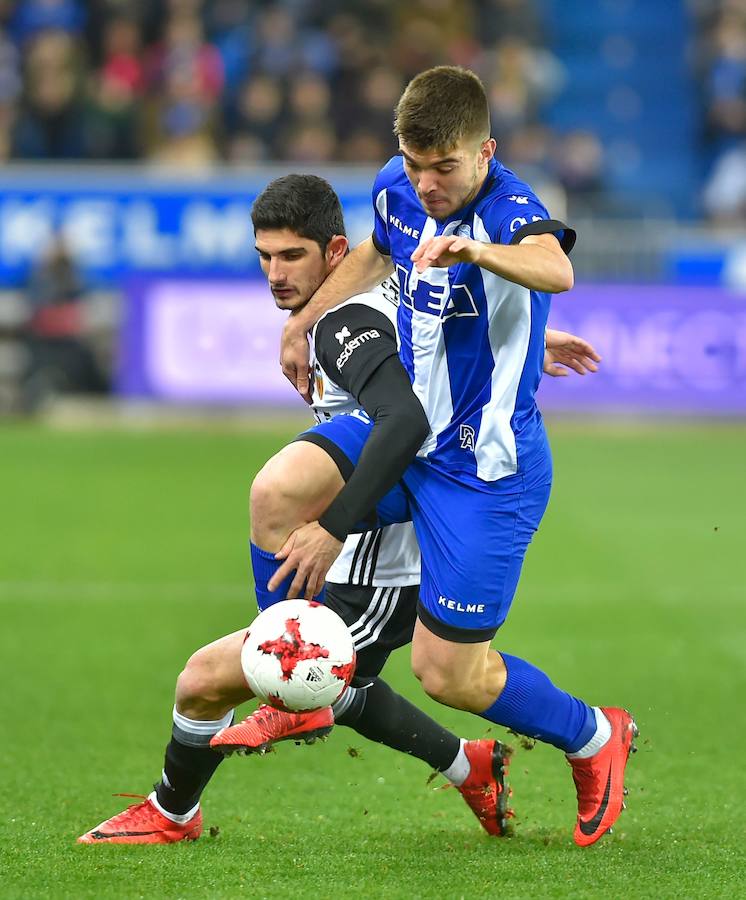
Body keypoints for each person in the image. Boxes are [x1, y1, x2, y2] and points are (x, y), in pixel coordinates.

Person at [77, 173, 599, 845]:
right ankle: (466, 763)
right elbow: (448, 341)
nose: (274, 273)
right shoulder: (366, 303)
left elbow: (407, 422)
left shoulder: (353, 320)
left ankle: (177, 809)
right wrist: (534, 347)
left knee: (240, 677)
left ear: (337, 252)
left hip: (385, 563)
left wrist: (330, 527)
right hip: (364, 541)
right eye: (264, 257)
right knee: (256, 681)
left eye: (291, 256)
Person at [276, 67, 637, 848]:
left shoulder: (508, 208)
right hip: (409, 434)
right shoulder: (396, 189)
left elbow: (556, 269)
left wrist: (480, 254)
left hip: (486, 474)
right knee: (284, 489)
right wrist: (305, 318)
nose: (426, 184)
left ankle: (594, 738)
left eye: (444, 168)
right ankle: (285, 668)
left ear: (484, 153)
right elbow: (377, 250)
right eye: (413, 164)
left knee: (447, 676)